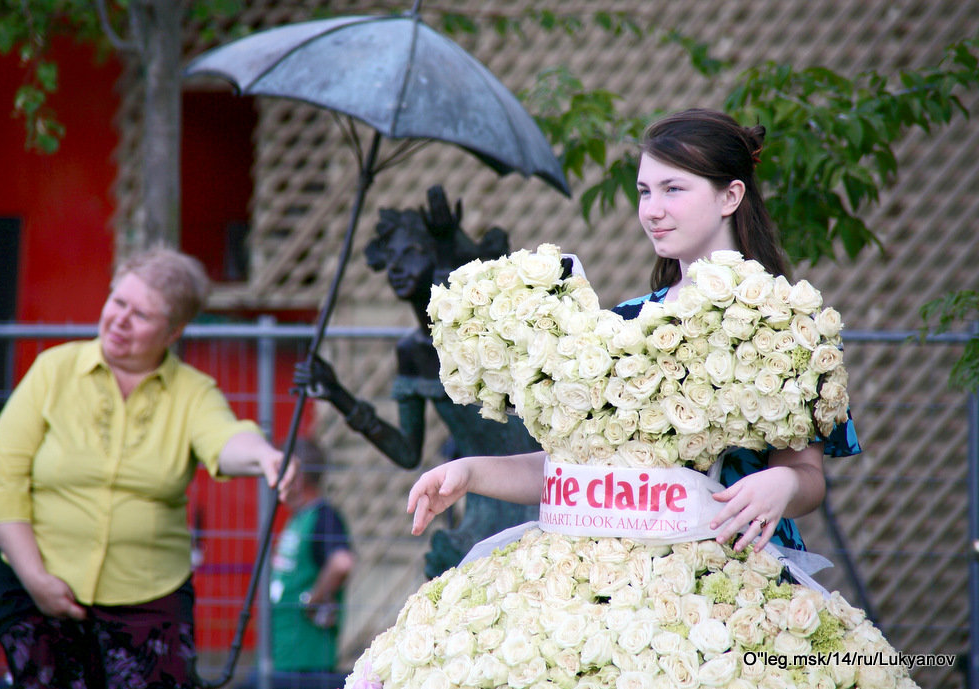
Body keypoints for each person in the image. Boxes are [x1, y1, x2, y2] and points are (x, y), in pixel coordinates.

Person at [408, 108, 860, 553]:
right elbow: (587, 475)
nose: (653, 210)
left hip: (739, 568)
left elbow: (807, 475)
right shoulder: (624, 321)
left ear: (731, 196)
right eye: (645, 191)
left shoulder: (787, 322)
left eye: (673, 189)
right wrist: (469, 473)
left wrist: (784, 483)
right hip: (622, 577)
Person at [0, 246, 291, 689]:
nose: (120, 319)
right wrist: (36, 578)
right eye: (118, 302)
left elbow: (224, 438)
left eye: (141, 315)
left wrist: (264, 456)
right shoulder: (52, 371)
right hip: (36, 592)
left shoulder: (192, 392)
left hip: (150, 603)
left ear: (174, 330)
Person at [294, 186, 540, 577]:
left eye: (411, 253)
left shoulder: (482, 329)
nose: (397, 267)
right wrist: (338, 395)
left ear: (435, 255)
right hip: (481, 502)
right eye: (391, 258)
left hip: (535, 485)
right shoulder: (411, 351)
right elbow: (408, 452)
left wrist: (451, 239)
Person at [255, 438, 355, 689]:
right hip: (285, 654)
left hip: (305, 662)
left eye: (282, 472)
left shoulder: (324, 516)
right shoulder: (300, 517)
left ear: (297, 477)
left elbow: (342, 562)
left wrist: (313, 599)